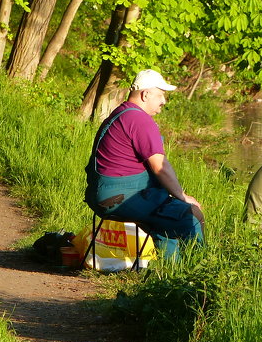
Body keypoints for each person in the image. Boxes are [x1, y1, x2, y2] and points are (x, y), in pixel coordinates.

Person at [84, 69, 204, 259]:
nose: (164, 101)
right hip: (120, 197)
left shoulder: (121, 113)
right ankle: (199, 274)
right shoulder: (139, 120)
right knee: (189, 215)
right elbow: (160, 167)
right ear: (145, 94)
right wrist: (182, 196)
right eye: (160, 95)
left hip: (103, 195)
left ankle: (168, 273)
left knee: (165, 219)